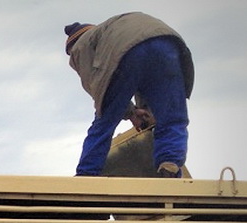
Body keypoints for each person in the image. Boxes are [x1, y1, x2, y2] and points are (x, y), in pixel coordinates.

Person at [64, 13, 194, 177]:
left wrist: (127, 112)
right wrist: (144, 111)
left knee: (105, 120)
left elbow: (96, 85)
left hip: (126, 51)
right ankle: (169, 165)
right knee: (172, 117)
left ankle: (87, 173)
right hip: (167, 41)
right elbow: (147, 79)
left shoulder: (80, 45)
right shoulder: (111, 29)